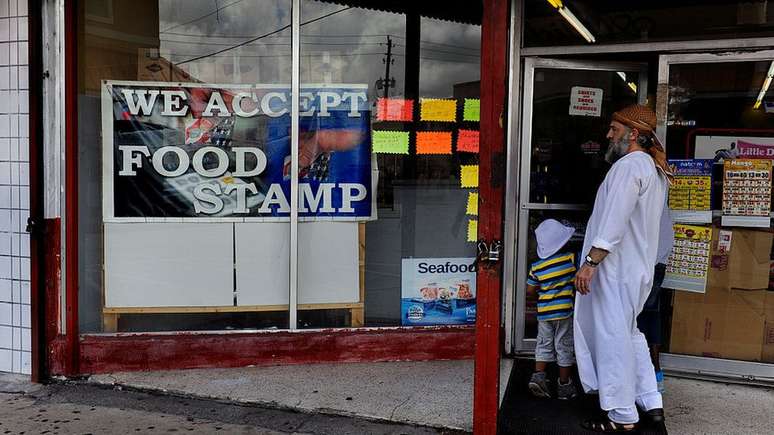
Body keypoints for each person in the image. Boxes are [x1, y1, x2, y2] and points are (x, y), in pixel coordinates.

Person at [574, 105, 672, 432]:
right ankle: (650, 401)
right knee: (630, 334)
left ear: (633, 134)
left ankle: (622, 415)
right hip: (635, 268)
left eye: (614, 130)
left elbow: (614, 220)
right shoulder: (652, 168)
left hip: (614, 270)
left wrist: (590, 263)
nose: (608, 135)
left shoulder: (630, 167)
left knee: (613, 336)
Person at [526, 219, 579, 400]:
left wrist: (541, 297)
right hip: (564, 312)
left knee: (544, 343)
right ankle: (564, 385)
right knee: (564, 345)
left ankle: (538, 377)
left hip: (544, 313)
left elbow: (530, 291)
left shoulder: (536, 267)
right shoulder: (570, 260)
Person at [636, 200, 673, 393]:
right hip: (657, 263)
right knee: (652, 314)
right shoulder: (661, 207)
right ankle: (655, 374)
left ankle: (646, 376)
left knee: (638, 319)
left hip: (646, 263)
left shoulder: (649, 205)